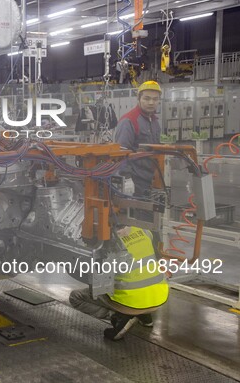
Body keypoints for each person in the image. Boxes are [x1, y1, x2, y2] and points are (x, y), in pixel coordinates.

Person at [69, 226, 169, 341]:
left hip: (130, 301)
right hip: (159, 297)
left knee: (75, 297)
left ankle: (119, 317)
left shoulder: (106, 239)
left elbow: (95, 274)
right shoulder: (144, 230)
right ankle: (145, 317)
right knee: (137, 279)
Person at [114, 81, 162, 215]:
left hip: (149, 179)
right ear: (139, 99)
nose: (151, 102)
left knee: (149, 219)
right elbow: (121, 153)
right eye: (147, 98)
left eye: (155, 99)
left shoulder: (155, 121)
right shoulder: (129, 121)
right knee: (135, 219)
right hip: (135, 182)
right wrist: (127, 179)